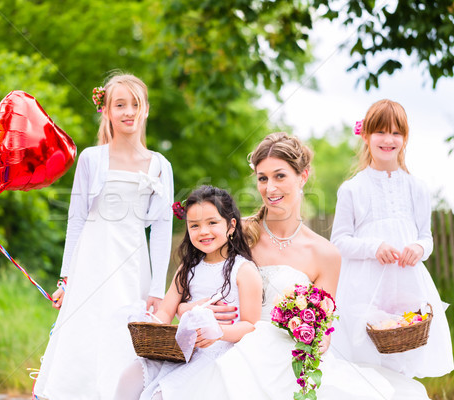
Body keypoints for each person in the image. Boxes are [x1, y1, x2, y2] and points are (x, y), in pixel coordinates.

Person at [175, 132, 430, 399]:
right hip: (232, 348)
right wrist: (186, 308)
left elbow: (324, 326)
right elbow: (193, 282)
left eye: (280, 176)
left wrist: (317, 340)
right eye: (263, 178)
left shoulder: (325, 254)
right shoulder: (236, 234)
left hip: (290, 357)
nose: (270, 188)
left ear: (303, 176)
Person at [33, 73, 174, 400]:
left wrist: (157, 289)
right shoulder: (92, 159)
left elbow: (163, 228)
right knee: (84, 333)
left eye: (135, 104)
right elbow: (77, 220)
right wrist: (66, 279)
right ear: (107, 112)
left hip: (132, 264)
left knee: (123, 338)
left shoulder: (159, 165)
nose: (128, 112)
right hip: (91, 263)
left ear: (146, 110)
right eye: (119, 105)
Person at [330, 99, 454, 378]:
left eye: (396, 133)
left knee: (404, 353)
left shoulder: (417, 188)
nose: (388, 139)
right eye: (381, 132)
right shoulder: (352, 189)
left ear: (405, 138)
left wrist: (419, 248)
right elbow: (339, 241)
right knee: (366, 357)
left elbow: (427, 237)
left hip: (405, 283)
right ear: (366, 136)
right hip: (364, 285)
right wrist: (373, 247)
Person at [114, 185, 263, 400]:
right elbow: (166, 311)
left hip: (218, 350)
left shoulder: (243, 270)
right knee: (129, 376)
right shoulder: (188, 268)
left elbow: (251, 325)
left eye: (212, 223)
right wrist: (148, 323)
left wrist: (217, 331)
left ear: (231, 226)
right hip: (179, 348)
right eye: (194, 225)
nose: (203, 231)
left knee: (163, 394)